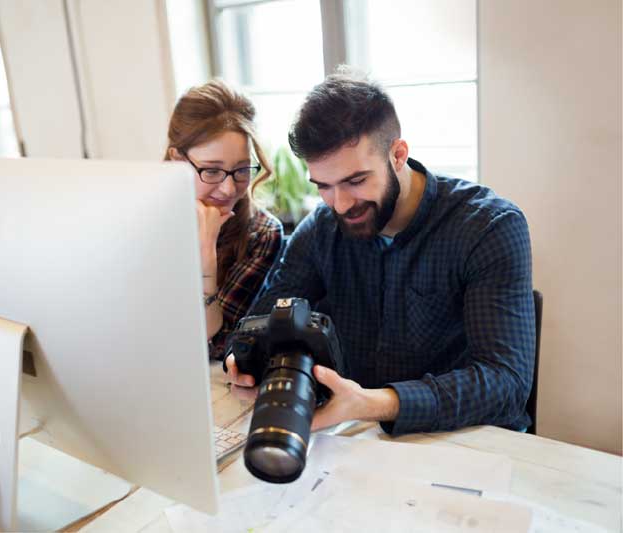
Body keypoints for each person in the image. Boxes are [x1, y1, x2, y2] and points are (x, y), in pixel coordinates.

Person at [225, 74, 535, 435]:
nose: (340, 204)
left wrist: (375, 403)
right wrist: (245, 362)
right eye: (324, 186)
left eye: (356, 181)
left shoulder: (488, 228)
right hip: (358, 439)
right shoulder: (322, 229)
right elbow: (253, 327)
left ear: (398, 155)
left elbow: (507, 383)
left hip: (470, 441)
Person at [165, 80, 283, 358]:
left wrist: (206, 259)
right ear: (177, 160)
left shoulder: (262, 233)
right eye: (212, 170)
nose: (229, 189)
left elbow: (216, 344)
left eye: (242, 170)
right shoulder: (144, 218)